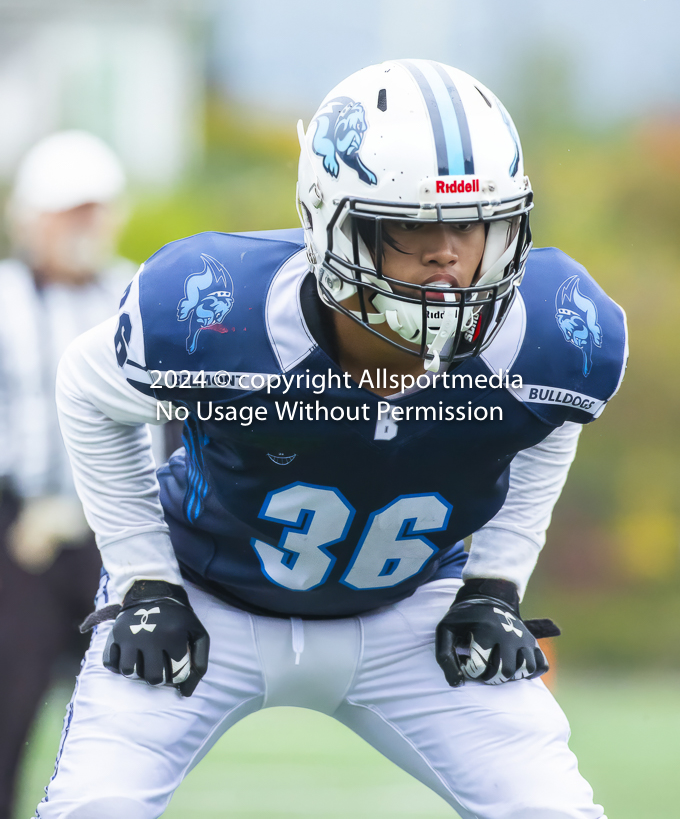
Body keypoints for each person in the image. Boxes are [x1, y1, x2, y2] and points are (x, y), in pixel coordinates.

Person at [42, 61, 627, 819]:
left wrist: (495, 584)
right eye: (412, 224)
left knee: (551, 810)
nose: (449, 252)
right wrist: (144, 580)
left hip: (412, 613)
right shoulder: (219, 313)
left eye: (474, 223)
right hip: (207, 601)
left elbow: (554, 417)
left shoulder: (552, 333)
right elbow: (87, 395)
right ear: (331, 221)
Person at [0, 131, 137, 819]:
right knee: (9, 700)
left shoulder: (139, 297)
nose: (82, 228)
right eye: (67, 212)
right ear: (31, 217)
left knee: (125, 712)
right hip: (16, 537)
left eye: (93, 211)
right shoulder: (5, 303)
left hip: (118, 540)